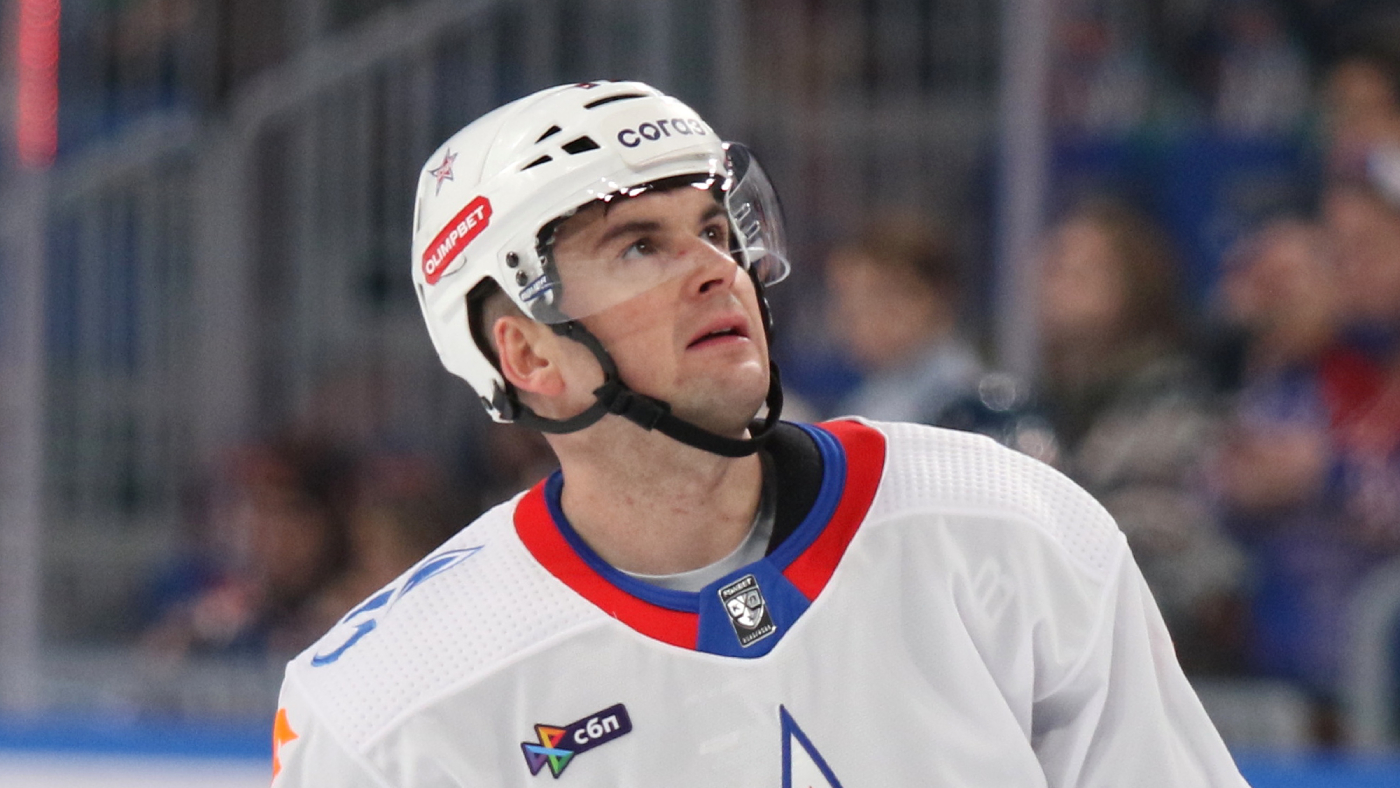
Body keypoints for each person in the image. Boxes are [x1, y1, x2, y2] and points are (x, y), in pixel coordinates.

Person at [271, 81, 1247, 786]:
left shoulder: (1006, 528)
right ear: (525, 352)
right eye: (638, 245)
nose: (714, 267)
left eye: (712, 228)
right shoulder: (387, 705)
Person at [1035, 200, 1248, 678]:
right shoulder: (1036, 405)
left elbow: (1170, 553)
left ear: (1135, 287)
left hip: (1169, 651)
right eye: (1053, 266)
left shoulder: (1178, 405)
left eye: (1082, 270)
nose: (1058, 281)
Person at [823, 213, 985, 425]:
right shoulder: (874, 393)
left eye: (870, 299)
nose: (845, 320)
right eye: (842, 300)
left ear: (925, 300)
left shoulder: (961, 400)